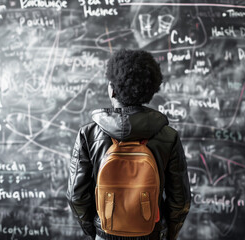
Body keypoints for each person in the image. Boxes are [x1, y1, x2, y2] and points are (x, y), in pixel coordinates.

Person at [66, 49, 191, 240]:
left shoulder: (88, 134)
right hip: (150, 232)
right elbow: (179, 201)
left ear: (112, 89)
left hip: (105, 232)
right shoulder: (168, 136)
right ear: (149, 91)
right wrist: (166, 232)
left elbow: (76, 196)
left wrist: (96, 231)